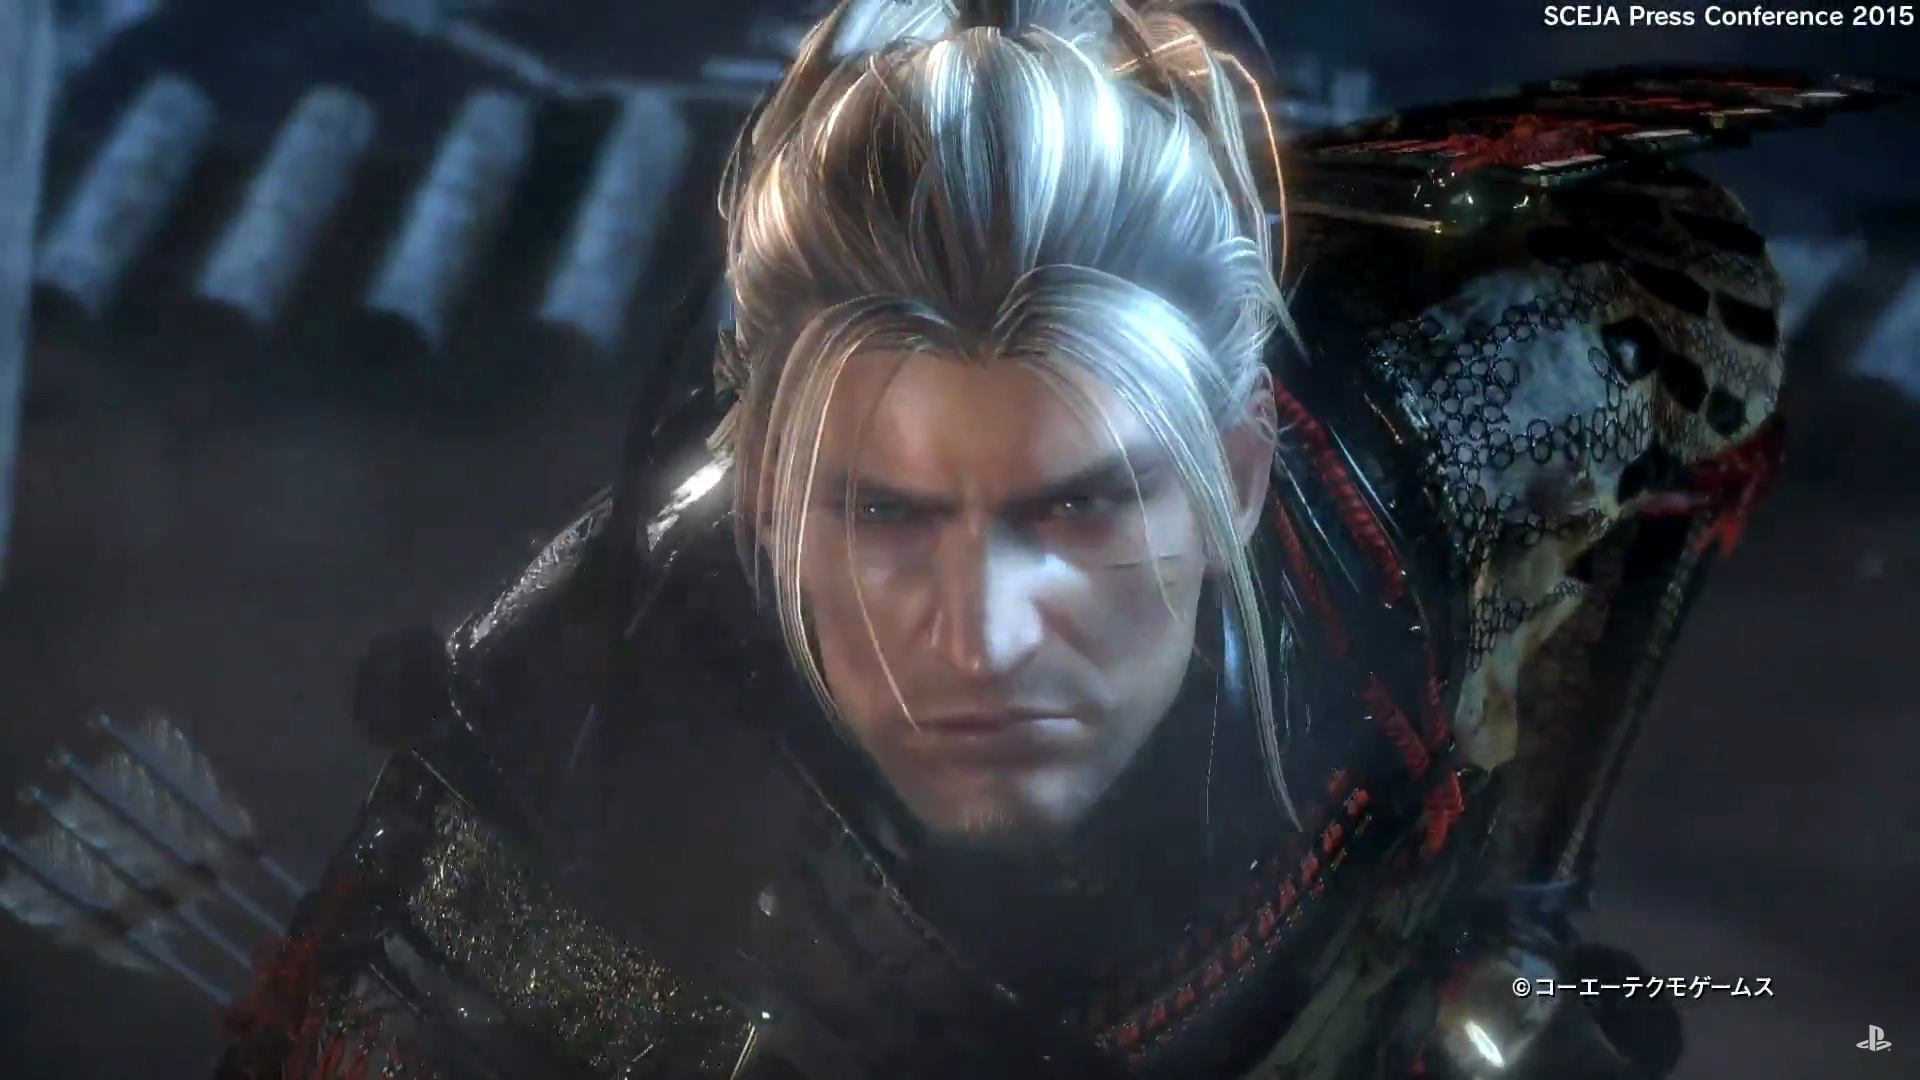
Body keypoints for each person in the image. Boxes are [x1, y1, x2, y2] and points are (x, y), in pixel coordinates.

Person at [211, 2, 1810, 1077]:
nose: (978, 639)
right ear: (767, 500)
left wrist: (1515, 911)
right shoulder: (578, 737)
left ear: (1240, 468)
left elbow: (1696, 301)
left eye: (1085, 504)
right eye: (883, 513)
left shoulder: (1454, 412)